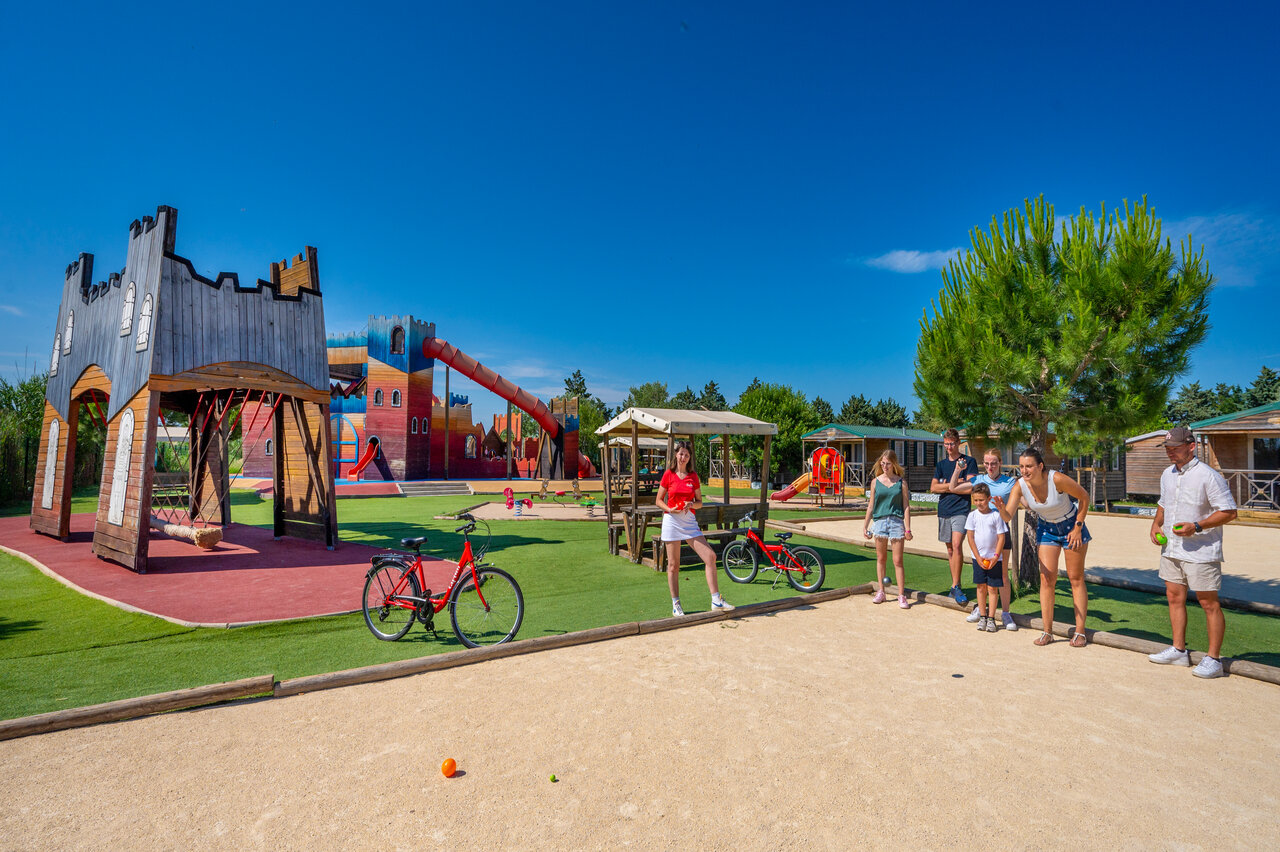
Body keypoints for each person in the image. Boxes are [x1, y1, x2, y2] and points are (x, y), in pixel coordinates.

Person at [1147, 426, 1238, 678]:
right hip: (1172, 549)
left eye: (1175, 448)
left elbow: (1229, 512)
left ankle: (1214, 660)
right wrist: (1156, 524)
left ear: (1191, 446)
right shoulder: (1167, 474)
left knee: (1209, 603)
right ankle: (1179, 650)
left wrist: (1196, 526)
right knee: (1173, 596)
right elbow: (1163, 504)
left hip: (1201, 550)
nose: (1170, 453)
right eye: (1167, 449)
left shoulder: (1208, 476)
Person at [992, 448, 1092, 647]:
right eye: (1021, 466)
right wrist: (1002, 509)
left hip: (1071, 525)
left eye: (1029, 466)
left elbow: (1084, 497)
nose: (1024, 470)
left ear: (1040, 466)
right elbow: (1008, 517)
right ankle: (1048, 632)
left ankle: (1080, 632)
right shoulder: (1020, 486)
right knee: (1047, 579)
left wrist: (1078, 527)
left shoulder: (1057, 479)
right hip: (1046, 528)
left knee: (1075, 578)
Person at [656, 440, 734, 617]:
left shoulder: (693, 477)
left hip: (689, 521)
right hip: (671, 520)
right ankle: (676, 604)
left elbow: (700, 503)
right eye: (681, 453)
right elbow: (658, 500)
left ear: (690, 457)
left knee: (711, 556)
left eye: (687, 454)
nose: (683, 457)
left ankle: (716, 599)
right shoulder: (668, 474)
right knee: (674, 565)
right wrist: (669, 509)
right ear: (676, 455)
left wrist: (692, 503)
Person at [951, 450, 1020, 631]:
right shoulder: (979, 480)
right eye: (987, 463)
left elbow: (1018, 506)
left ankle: (1005, 613)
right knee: (981, 580)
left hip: (1000, 533)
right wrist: (958, 470)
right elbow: (953, 488)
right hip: (982, 535)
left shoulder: (1010, 482)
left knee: (1002, 575)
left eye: (994, 463)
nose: (990, 467)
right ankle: (982, 612)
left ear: (1001, 463)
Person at [861, 449, 914, 609]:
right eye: (882, 463)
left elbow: (906, 506)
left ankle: (901, 595)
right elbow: (871, 506)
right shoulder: (875, 482)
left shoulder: (901, 482)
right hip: (880, 522)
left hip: (897, 522)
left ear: (894, 464)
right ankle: (881, 592)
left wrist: (908, 528)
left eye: (888, 463)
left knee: (898, 560)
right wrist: (865, 525)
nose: (885, 466)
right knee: (881, 558)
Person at [931, 428, 977, 605]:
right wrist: (956, 483)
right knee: (950, 550)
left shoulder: (968, 462)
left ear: (958, 443)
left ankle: (957, 586)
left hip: (961, 509)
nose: (949, 447)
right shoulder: (941, 465)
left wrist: (948, 484)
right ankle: (953, 586)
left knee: (957, 545)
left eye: (952, 443)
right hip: (944, 509)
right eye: (946, 444)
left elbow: (970, 486)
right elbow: (934, 488)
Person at [965, 483, 1008, 632]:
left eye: (981, 500)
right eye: (976, 500)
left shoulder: (996, 516)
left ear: (989, 499)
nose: (979, 503)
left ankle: (991, 618)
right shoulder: (972, 516)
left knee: (992, 588)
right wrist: (977, 556)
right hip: (978, 559)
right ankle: (982, 616)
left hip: (994, 559)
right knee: (981, 587)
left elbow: (1001, 537)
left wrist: (996, 556)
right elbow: (970, 538)